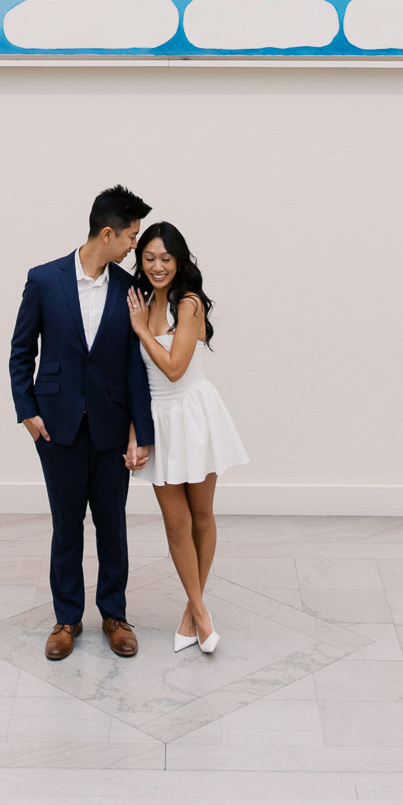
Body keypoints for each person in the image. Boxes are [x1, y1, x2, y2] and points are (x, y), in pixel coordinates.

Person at [9, 184, 156, 662]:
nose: (135, 246)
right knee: (66, 524)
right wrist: (27, 412)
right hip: (58, 426)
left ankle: (114, 615)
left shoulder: (131, 289)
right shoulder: (44, 280)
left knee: (112, 525)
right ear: (108, 233)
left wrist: (142, 434)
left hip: (112, 428)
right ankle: (66, 619)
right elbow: (21, 351)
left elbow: (136, 367)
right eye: (132, 237)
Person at [126, 221, 248, 655]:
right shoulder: (138, 301)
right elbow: (134, 377)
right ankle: (199, 610)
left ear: (179, 261)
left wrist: (142, 330)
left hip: (195, 416)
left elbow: (175, 368)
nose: (158, 266)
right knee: (175, 524)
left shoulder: (189, 303)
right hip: (158, 421)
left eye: (166, 258)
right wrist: (135, 434)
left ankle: (191, 613)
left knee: (201, 516)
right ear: (140, 261)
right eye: (149, 258)